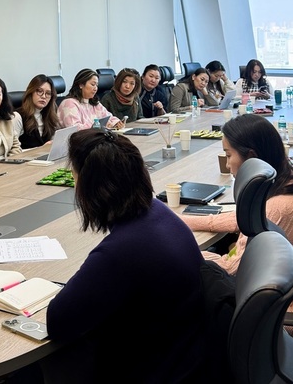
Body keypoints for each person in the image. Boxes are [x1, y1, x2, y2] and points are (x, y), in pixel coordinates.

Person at [46, 128, 207, 382]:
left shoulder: (120, 251)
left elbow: (58, 322)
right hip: (187, 361)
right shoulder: (158, 212)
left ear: (92, 186)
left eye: (75, 177)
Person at [179, 114, 293, 343]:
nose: (227, 164)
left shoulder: (279, 207)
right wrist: (183, 221)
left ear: (251, 157)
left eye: (229, 155)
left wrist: (184, 251)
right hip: (289, 300)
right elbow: (242, 219)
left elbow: (233, 271)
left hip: (290, 318)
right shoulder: (288, 181)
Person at [57, 69, 123, 130]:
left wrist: (116, 123)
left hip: (94, 137)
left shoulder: (94, 102)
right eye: (93, 84)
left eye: (97, 85)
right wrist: (99, 126)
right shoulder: (69, 103)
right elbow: (74, 128)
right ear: (81, 85)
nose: (95, 88)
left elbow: (108, 117)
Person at [12, 74, 61, 149]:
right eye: (39, 91)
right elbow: (12, 150)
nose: (43, 96)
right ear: (31, 92)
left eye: (48, 93)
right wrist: (40, 150)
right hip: (25, 156)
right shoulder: (18, 116)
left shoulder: (50, 115)